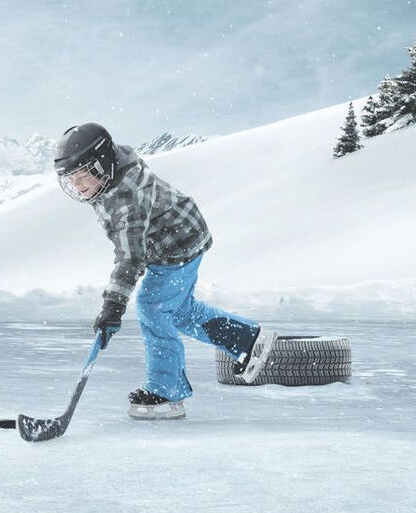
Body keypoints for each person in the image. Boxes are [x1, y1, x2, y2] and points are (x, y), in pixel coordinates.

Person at [53, 122, 279, 420]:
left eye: (85, 174)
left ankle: (167, 393)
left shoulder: (125, 197)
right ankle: (248, 339)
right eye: (72, 178)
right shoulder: (108, 181)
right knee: (179, 311)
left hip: (178, 243)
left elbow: (129, 256)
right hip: (174, 237)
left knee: (153, 307)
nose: (80, 185)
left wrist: (113, 305)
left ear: (104, 161)